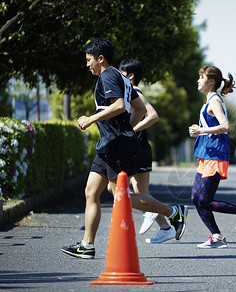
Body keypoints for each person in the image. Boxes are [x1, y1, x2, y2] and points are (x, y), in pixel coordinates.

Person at [61, 39, 187, 259]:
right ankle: (87, 245)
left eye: (89, 60)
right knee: (91, 192)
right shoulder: (121, 78)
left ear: (100, 58)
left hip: (116, 146)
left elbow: (120, 105)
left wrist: (92, 119)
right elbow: (138, 109)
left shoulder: (108, 75)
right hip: (109, 144)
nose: (87, 65)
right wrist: (125, 129)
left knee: (122, 197)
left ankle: (173, 212)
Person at [189, 66, 236, 249]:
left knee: (204, 199)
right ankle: (217, 236)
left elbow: (226, 126)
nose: (198, 80)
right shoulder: (209, 101)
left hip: (216, 155)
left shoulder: (214, 101)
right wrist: (199, 131)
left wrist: (201, 130)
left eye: (201, 77)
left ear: (211, 81)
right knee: (196, 198)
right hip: (207, 154)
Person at [119, 58, 176, 243]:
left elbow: (153, 116)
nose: (118, 77)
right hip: (136, 148)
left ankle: (168, 217)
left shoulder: (135, 91)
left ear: (130, 76)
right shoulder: (129, 93)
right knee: (141, 190)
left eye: (121, 73)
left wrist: (132, 130)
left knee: (138, 191)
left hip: (139, 148)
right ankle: (166, 227)